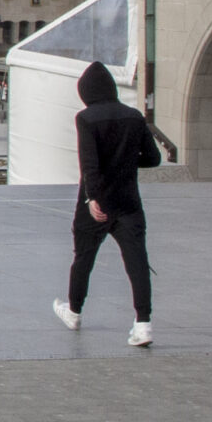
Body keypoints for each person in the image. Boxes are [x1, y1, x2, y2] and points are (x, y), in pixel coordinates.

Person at [57, 61, 156, 346]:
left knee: (83, 259)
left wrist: (92, 198)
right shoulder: (134, 116)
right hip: (128, 202)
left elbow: (89, 163)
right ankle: (143, 324)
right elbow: (152, 158)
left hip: (97, 203)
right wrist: (125, 162)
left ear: (86, 92)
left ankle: (74, 312)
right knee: (137, 261)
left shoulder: (86, 118)